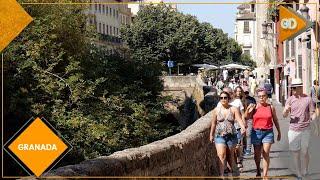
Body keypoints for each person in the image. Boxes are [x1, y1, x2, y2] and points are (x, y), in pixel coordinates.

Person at [283, 79, 317, 179]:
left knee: (304, 151)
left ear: (300, 87)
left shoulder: (308, 99)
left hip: (305, 129)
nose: (293, 90)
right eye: (292, 88)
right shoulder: (290, 99)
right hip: (293, 130)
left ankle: (305, 168)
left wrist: (315, 125)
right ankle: (299, 173)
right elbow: (284, 115)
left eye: (295, 88)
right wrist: (285, 110)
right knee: (295, 153)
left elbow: (312, 113)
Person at [245, 88, 281, 177]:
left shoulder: (271, 107)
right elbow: (246, 117)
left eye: (263, 96)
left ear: (266, 96)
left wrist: (279, 132)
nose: (261, 98)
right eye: (259, 96)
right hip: (256, 132)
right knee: (257, 155)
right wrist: (248, 110)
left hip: (268, 132)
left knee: (265, 152)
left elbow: (275, 120)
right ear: (257, 97)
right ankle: (258, 170)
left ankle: (265, 175)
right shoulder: (254, 107)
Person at [210, 91, 246, 176]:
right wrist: (211, 134)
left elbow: (239, 119)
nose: (223, 99)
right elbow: (213, 123)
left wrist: (243, 127)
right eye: (221, 98)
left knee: (230, 157)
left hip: (231, 136)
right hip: (219, 136)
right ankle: (222, 176)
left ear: (228, 99)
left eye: (225, 98)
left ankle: (235, 174)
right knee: (221, 155)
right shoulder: (216, 110)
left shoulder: (233, 109)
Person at [243, 90, 256, 156]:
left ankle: (248, 149)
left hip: (249, 119)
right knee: (243, 135)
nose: (246, 94)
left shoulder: (252, 99)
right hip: (242, 119)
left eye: (247, 92)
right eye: (245, 93)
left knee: (248, 135)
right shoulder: (241, 100)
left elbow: (253, 108)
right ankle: (244, 149)